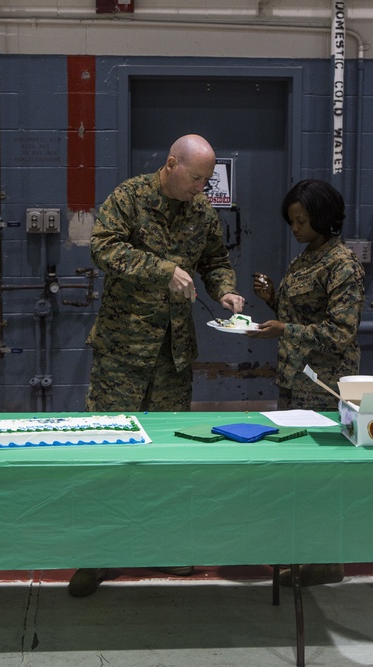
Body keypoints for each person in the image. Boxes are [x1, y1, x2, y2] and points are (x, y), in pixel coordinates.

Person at [71, 134, 245, 597]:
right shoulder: (129, 198)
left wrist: (224, 289)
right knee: (107, 452)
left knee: (166, 455)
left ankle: (163, 543)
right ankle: (96, 553)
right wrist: (162, 269)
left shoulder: (202, 213)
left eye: (207, 181)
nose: (201, 189)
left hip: (172, 356)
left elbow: (215, 260)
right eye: (195, 178)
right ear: (171, 165)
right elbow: (102, 248)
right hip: (122, 352)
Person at [247, 179, 365, 588]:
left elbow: (340, 332)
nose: (294, 228)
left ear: (323, 218)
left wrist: (285, 328)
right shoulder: (307, 258)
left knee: (320, 476)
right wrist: (272, 300)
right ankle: (304, 552)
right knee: (300, 474)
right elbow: (300, 314)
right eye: (291, 221)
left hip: (324, 388)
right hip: (296, 382)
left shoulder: (342, 263)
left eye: (301, 220)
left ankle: (327, 560)